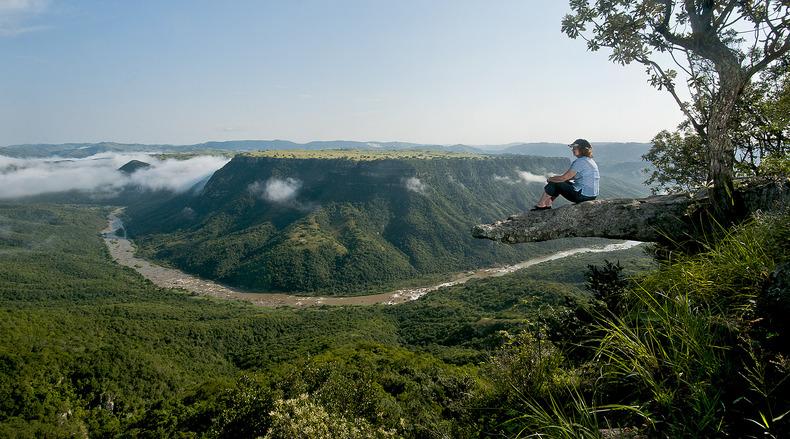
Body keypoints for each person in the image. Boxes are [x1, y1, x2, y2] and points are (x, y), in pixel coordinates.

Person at [531, 138, 599, 210]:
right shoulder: (589, 160)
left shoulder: (580, 162)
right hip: (591, 195)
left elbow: (563, 178)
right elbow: (571, 177)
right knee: (559, 181)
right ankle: (548, 203)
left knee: (555, 182)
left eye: (575, 148)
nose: (572, 150)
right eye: (573, 148)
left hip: (583, 196)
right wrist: (557, 179)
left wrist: (550, 179)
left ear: (582, 149)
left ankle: (541, 205)